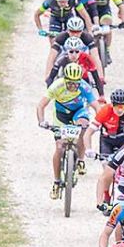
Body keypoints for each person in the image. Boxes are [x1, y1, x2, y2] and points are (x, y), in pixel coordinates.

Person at [37, 63, 97, 200]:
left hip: (78, 113)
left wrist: (99, 122)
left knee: (83, 127)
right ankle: (57, 182)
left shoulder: (84, 87)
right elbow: (41, 105)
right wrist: (42, 121)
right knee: (59, 147)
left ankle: (81, 160)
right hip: (61, 116)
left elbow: (96, 106)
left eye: (76, 83)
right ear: (65, 80)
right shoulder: (57, 85)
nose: (73, 86)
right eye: (70, 83)